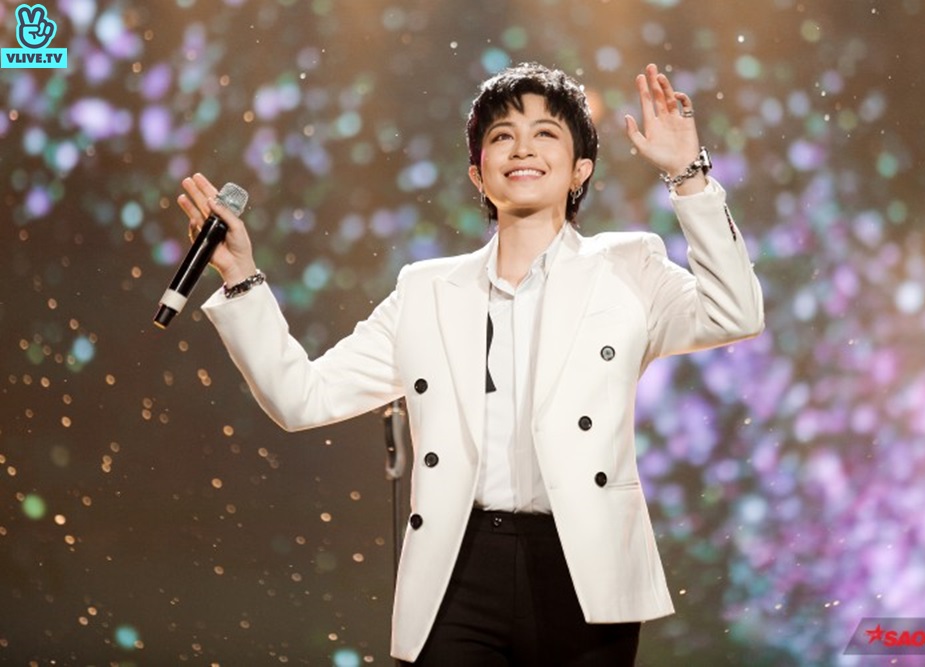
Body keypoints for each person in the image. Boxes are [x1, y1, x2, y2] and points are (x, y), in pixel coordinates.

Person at [177, 62, 763, 666]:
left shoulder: (627, 267)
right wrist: (241, 276)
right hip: (459, 567)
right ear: (479, 175)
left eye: (545, 134)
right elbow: (302, 397)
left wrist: (688, 178)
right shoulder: (426, 291)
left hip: (584, 565)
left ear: (580, 171)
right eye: (503, 136)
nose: (522, 148)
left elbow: (736, 313)